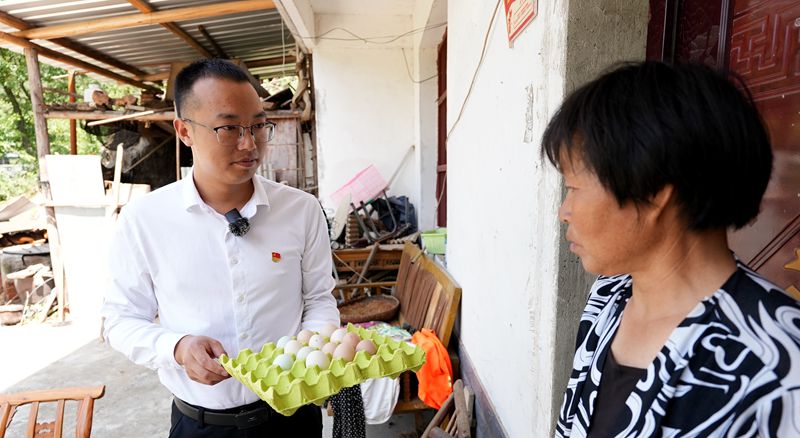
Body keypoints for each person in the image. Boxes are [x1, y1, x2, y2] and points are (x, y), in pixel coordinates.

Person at [542, 61, 800, 437]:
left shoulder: (779, 367)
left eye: (574, 188)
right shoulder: (609, 297)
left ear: (653, 191)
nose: (564, 212)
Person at [101, 59, 339, 437]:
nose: (249, 144)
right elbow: (120, 320)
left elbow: (319, 299)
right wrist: (178, 348)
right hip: (200, 425)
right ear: (185, 131)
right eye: (228, 128)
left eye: (258, 126)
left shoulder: (301, 210)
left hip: (292, 419)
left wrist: (310, 355)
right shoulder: (145, 220)